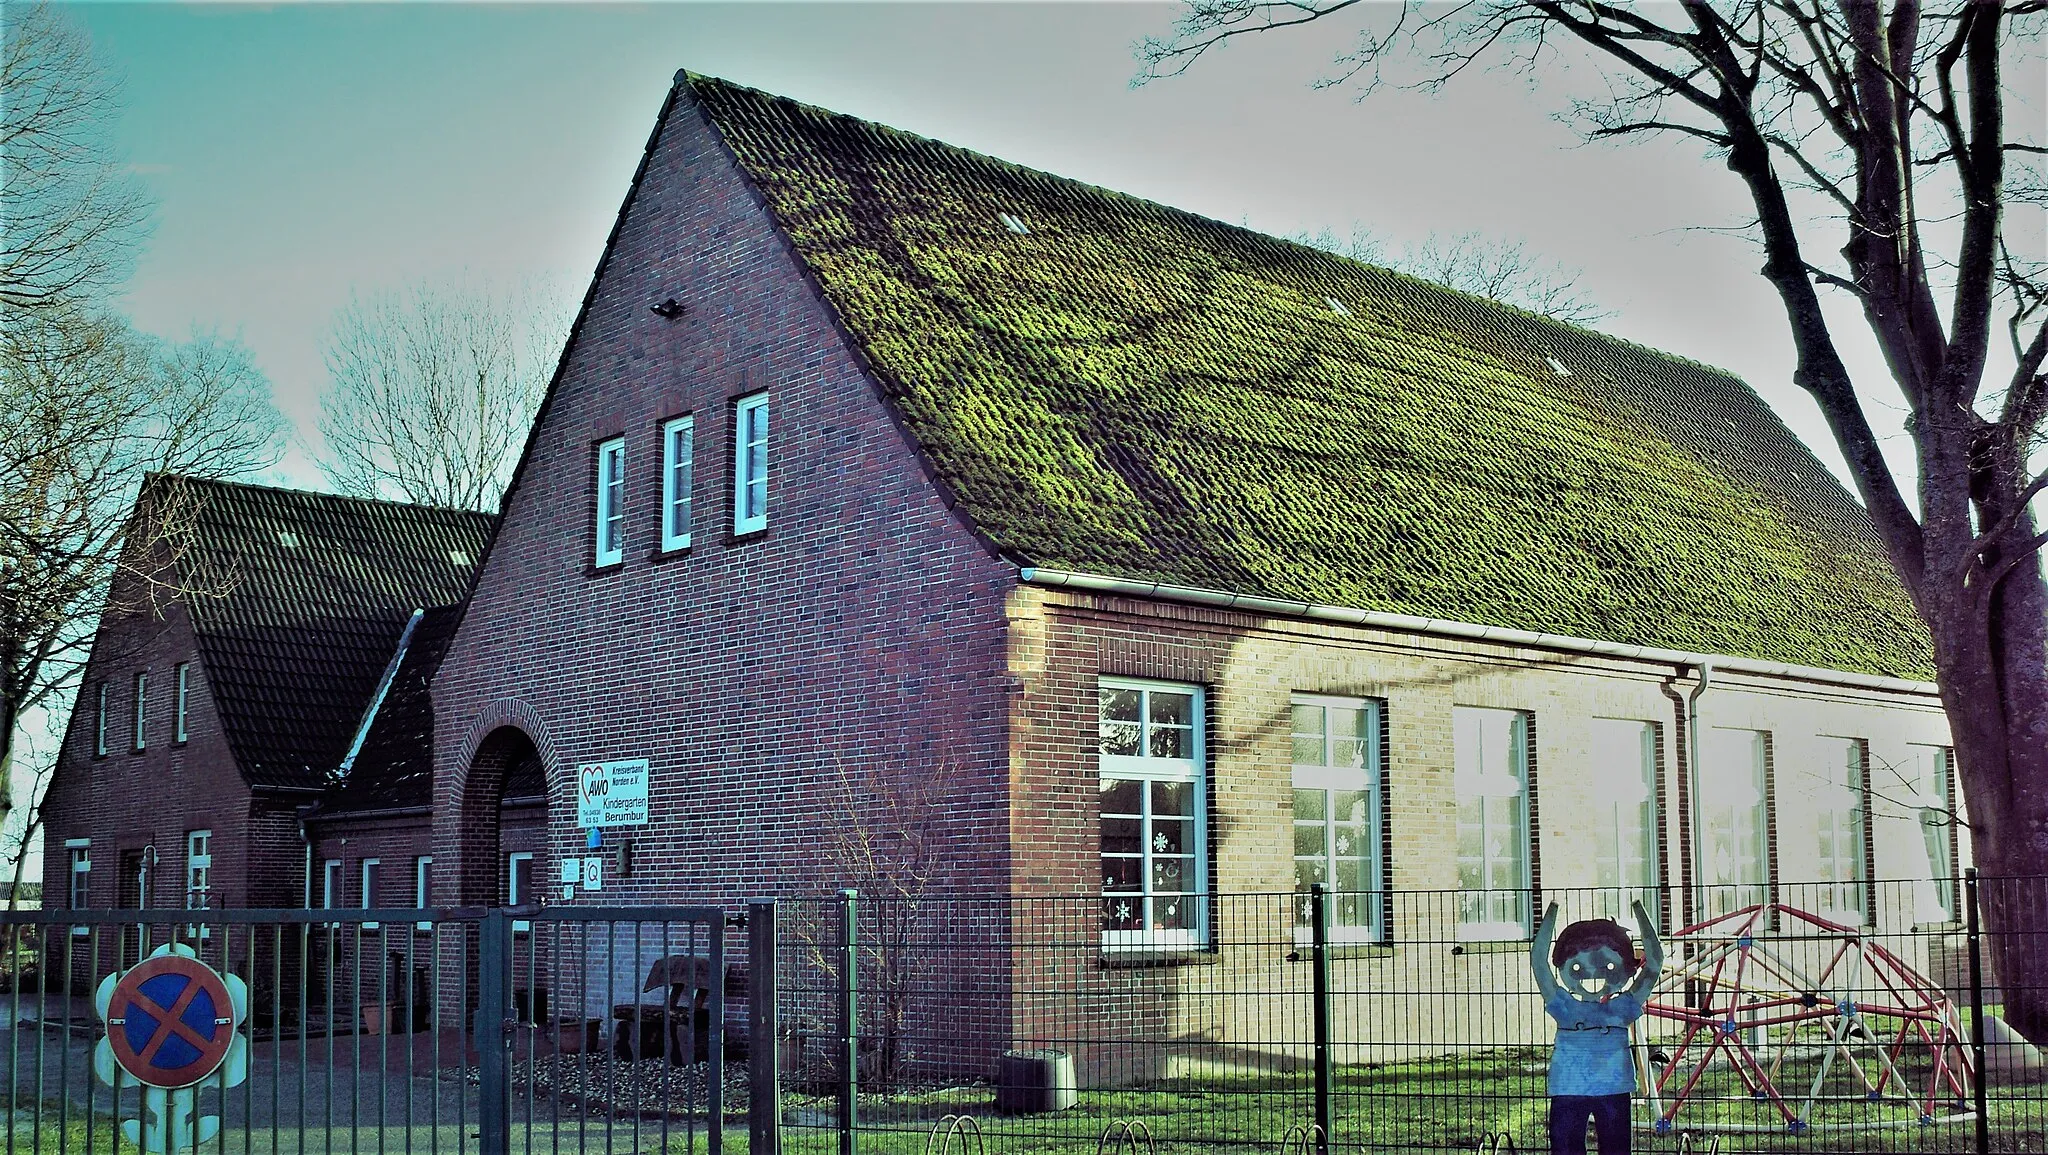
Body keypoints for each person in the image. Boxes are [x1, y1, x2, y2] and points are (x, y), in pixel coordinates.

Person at [1529, 899, 1664, 1155]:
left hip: (1612, 1090)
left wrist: (1639, 910)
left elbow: (1655, 962)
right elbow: (1538, 962)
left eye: (1609, 966)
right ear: (1563, 968)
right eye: (1577, 967)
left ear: (1626, 968)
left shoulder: (1621, 1008)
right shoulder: (1565, 1008)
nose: (1593, 975)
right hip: (1570, 1091)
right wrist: (1552, 912)